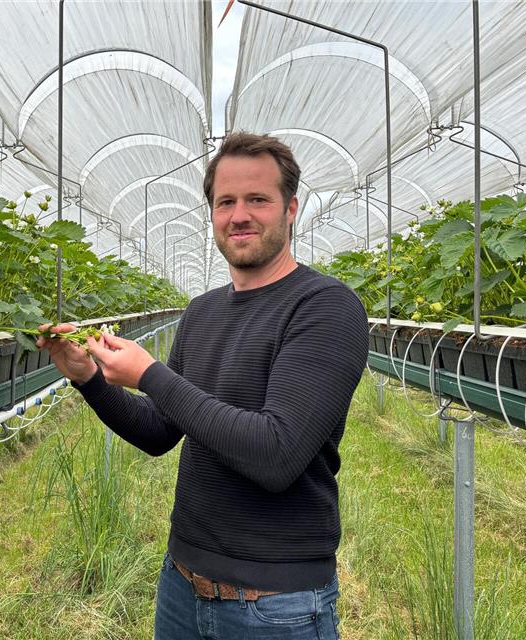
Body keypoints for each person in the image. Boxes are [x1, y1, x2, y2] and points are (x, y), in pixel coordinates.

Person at [37, 132, 369, 640]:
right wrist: (89, 379)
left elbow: (276, 453)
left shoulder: (325, 308)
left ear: (291, 208)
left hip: (276, 606)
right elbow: (160, 432)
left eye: (258, 199)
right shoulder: (201, 312)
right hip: (181, 586)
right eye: (225, 202)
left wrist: (150, 375)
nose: (240, 214)